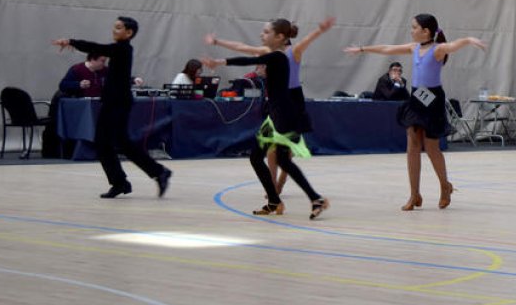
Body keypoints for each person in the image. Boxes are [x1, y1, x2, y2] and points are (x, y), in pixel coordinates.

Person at [346, 13, 487, 211]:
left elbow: (454, 45)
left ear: (426, 31)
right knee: (412, 144)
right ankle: (415, 194)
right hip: (416, 97)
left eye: (414, 27)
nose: (411, 31)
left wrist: (469, 40)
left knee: (431, 148)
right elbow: (387, 49)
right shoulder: (414, 48)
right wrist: (362, 49)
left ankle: (445, 187)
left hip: (432, 100)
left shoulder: (438, 50)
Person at [202, 19, 329, 219]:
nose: (262, 34)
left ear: (279, 37)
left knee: (282, 160)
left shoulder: (278, 56)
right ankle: (275, 201)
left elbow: (247, 60)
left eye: (266, 31)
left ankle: (315, 198)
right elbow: (244, 48)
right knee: (258, 157)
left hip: (286, 115)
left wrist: (220, 62)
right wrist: (218, 43)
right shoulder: (271, 54)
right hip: (275, 113)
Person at [52, 17, 172, 199]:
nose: (114, 30)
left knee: (109, 143)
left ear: (129, 33)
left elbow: (97, 48)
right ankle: (132, 179)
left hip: (118, 103)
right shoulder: (119, 50)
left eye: (118, 28)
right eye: (114, 27)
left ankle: (141, 176)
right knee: (112, 143)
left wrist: (71, 42)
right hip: (113, 102)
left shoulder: (123, 49)